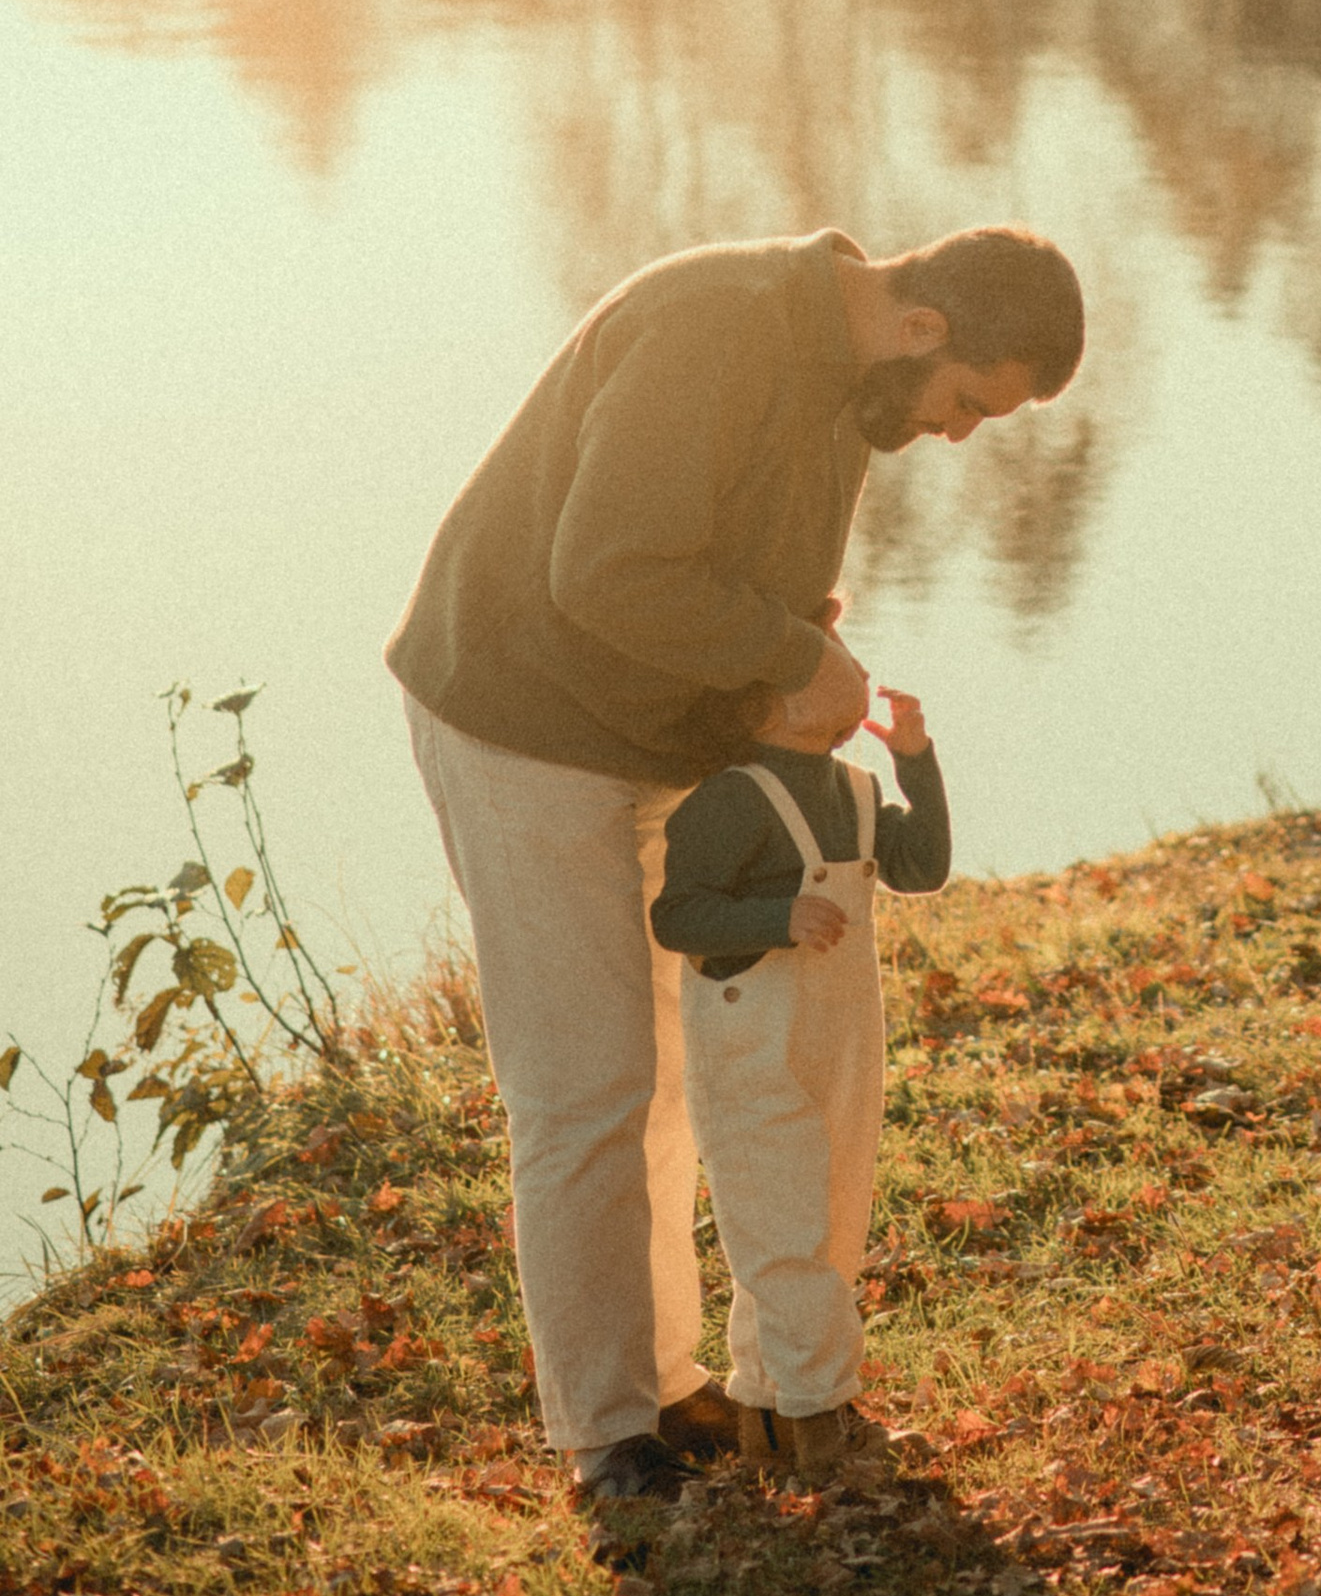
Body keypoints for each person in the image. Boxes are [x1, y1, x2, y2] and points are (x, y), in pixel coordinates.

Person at [387, 222, 1082, 1515]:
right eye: (970, 407)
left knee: (667, 1067)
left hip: (655, 725)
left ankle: (666, 1384)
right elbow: (606, 570)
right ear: (925, 327)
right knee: (585, 1083)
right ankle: (606, 1435)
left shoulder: (856, 384)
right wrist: (778, 649)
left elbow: (749, 573)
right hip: (519, 718)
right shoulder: (717, 328)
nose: (958, 435)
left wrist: (792, 647)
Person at [651, 681, 949, 1480]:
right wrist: (776, 919)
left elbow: (922, 868)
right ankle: (822, 1422)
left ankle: (768, 1414)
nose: (853, 667)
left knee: (832, 1217)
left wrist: (917, 763)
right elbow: (677, 917)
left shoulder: (854, 787)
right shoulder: (729, 801)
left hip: (841, 1032)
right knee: (778, 1229)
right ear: (771, 707)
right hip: (752, 1040)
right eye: (830, 658)